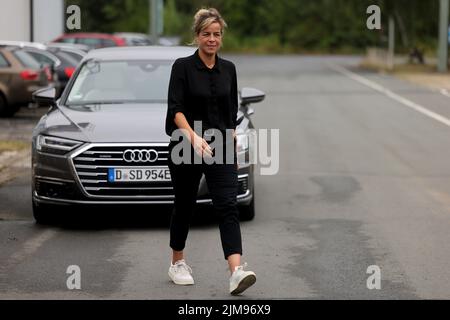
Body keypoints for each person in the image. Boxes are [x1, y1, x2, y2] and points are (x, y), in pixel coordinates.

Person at [164, 7, 256, 295]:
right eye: (206, 34)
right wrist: (192, 137)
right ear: (197, 36)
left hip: (220, 146)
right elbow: (175, 109)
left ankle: (236, 271)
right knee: (186, 204)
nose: (212, 39)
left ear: (221, 37)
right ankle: (177, 262)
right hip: (186, 145)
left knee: (227, 204)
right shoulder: (182, 67)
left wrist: (231, 138)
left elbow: (230, 111)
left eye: (217, 34)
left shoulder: (229, 69)